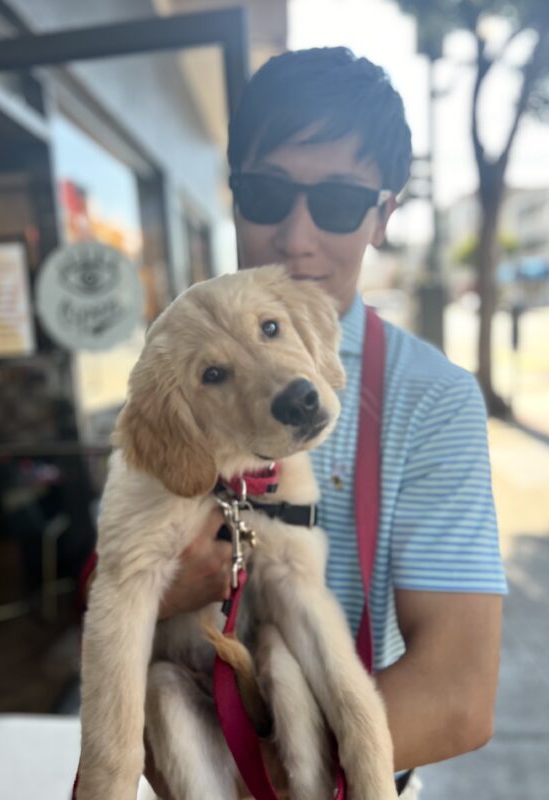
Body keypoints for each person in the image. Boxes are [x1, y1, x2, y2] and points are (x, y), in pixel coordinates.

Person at [150, 47, 507, 797]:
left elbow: (458, 692)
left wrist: (251, 773)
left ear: (384, 216)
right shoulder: (176, 362)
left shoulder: (427, 397)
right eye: (267, 194)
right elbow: (114, 591)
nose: (296, 236)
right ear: (233, 197)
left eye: (340, 203)